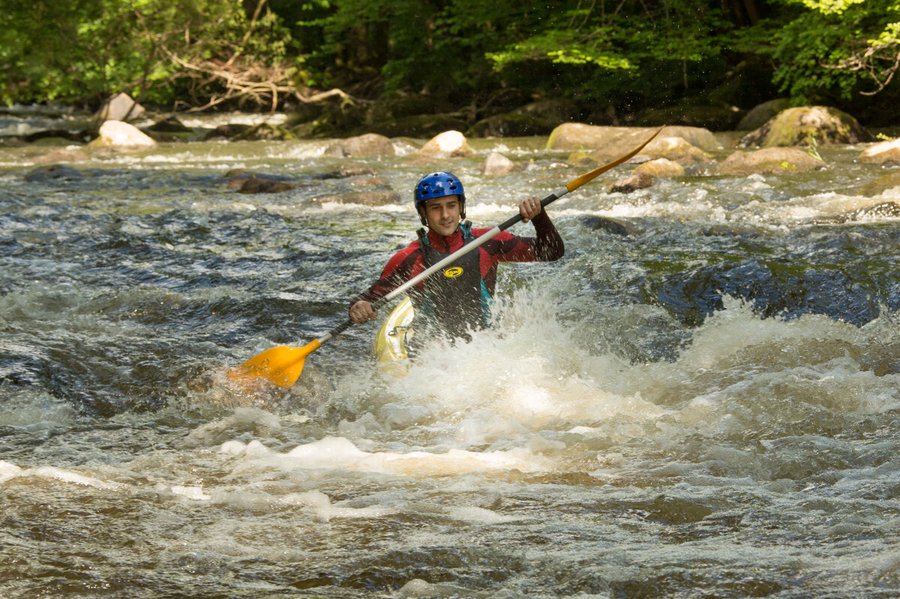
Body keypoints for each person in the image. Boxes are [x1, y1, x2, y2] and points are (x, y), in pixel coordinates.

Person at [348, 171, 564, 346]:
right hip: (434, 353)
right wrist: (359, 306)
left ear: (461, 207)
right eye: (435, 208)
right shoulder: (408, 258)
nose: (445, 215)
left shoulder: (488, 242)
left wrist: (540, 217)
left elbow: (551, 252)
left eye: (451, 205)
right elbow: (366, 298)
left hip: (486, 345)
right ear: (423, 212)